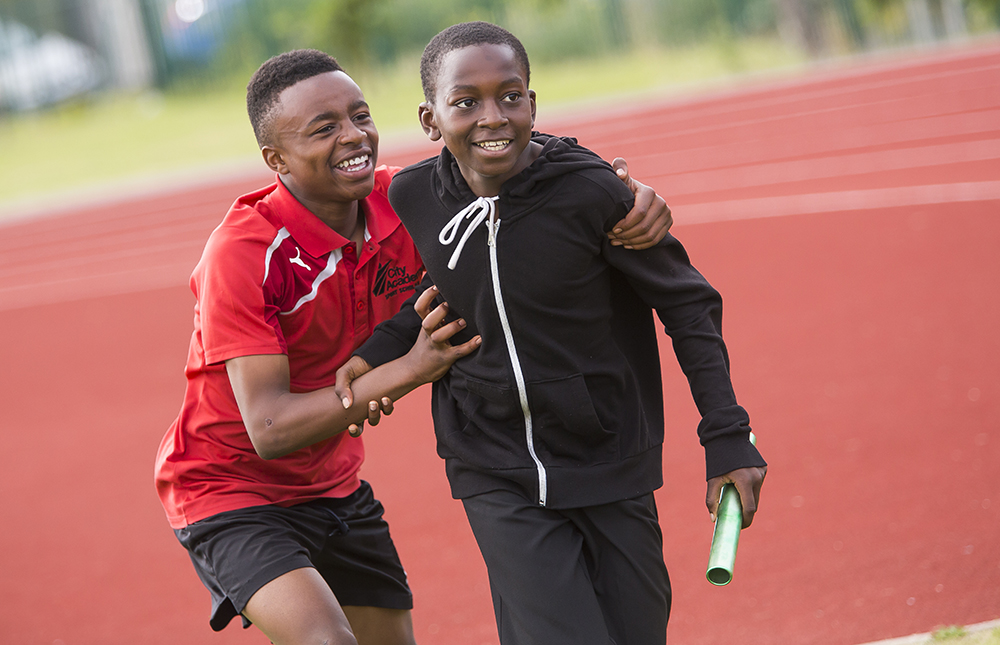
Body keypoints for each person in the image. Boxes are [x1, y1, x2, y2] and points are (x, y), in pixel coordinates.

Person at [153, 48, 674, 645]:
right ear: (276, 159)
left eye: (360, 115)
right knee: (326, 641)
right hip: (229, 487)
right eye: (324, 128)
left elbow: (508, 155)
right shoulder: (244, 253)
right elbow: (269, 427)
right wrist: (409, 369)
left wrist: (623, 191)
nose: (354, 136)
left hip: (335, 483)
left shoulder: (400, 204)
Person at [337, 22, 767, 645]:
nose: (493, 117)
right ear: (430, 120)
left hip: (607, 452)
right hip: (490, 460)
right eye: (466, 102)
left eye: (510, 96)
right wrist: (375, 352)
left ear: (533, 105)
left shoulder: (592, 192)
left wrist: (726, 436)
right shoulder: (414, 195)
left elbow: (689, 306)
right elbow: (446, 293)